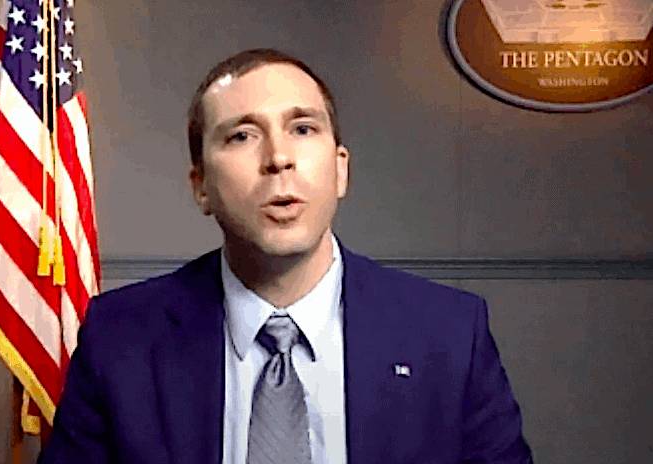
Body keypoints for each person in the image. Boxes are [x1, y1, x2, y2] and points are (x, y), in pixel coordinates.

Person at [39, 48, 533, 463]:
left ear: (340, 170)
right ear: (201, 187)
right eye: (242, 135)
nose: (278, 157)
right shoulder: (120, 338)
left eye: (302, 128)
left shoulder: (448, 334)